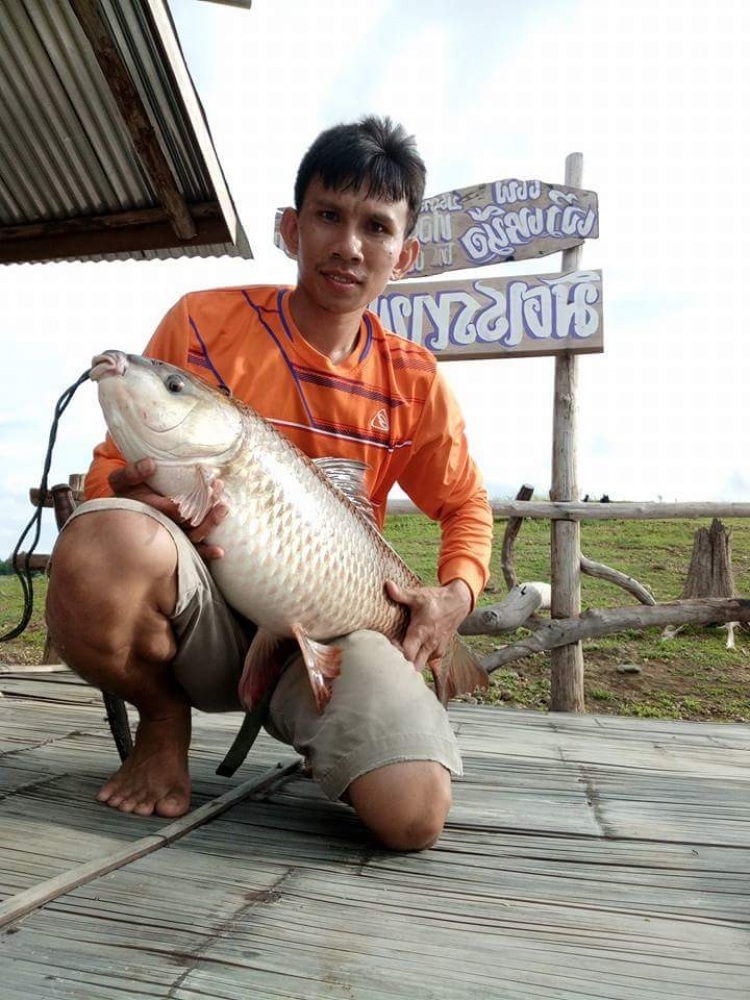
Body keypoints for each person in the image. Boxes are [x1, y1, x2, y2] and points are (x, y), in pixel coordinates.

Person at [46, 115, 493, 852]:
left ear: (404, 254)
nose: (349, 245)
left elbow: (465, 504)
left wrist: (456, 596)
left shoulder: (414, 378)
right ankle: (162, 725)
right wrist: (137, 490)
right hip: (205, 617)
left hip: (341, 620)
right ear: (290, 229)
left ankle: (335, 725)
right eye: (328, 216)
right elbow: (103, 480)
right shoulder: (203, 322)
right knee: (104, 539)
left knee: (413, 816)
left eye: (376, 228)